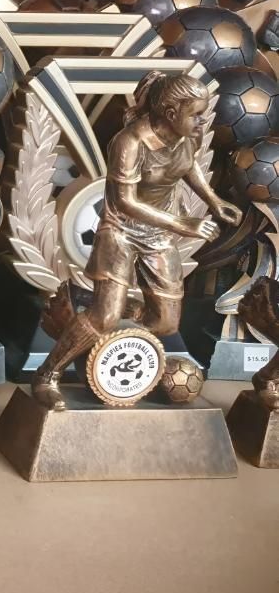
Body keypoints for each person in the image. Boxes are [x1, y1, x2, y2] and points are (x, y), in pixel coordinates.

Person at [32, 71, 242, 411]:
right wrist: (182, 223)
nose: (202, 121)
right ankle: (47, 375)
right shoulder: (129, 143)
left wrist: (214, 200)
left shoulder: (186, 134)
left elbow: (188, 166)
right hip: (121, 230)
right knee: (105, 317)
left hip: (158, 235)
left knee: (167, 323)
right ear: (171, 113)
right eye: (196, 114)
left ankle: (111, 341)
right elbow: (125, 201)